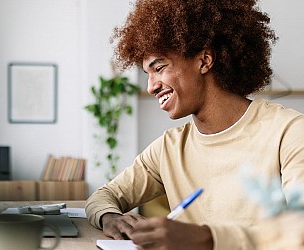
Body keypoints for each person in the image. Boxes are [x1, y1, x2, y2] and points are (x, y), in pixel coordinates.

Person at [84, 0, 304, 249]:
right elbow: (102, 197)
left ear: (204, 61)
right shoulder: (169, 148)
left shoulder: (290, 133)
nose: (151, 86)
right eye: (148, 74)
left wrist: (206, 238)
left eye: (160, 67)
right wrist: (110, 217)